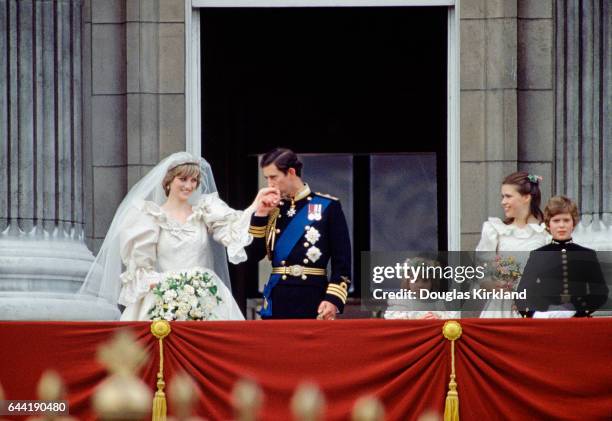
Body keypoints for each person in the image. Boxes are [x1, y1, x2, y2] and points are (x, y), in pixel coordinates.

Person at [79, 152, 279, 321]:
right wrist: (169, 294)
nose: (189, 186)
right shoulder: (149, 217)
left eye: (194, 180)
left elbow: (233, 231)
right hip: (164, 297)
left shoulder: (205, 211)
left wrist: (255, 207)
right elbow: (142, 268)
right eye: (182, 179)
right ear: (168, 182)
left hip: (207, 296)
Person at [245, 148, 352, 320]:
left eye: (274, 177)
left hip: (313, 298)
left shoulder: (327, 206)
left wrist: (332, 299)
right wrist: (260, 215)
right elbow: (252, 255)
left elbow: (343, 262)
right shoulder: (271, 210)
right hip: (278, 297)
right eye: (267, 178)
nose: (269, 184)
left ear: (291, 172)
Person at [516, 196, 609, 318]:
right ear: (548, 224)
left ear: (573, 223)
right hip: (545, 318)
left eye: (566, 220)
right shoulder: (538, 255)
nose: (561, 225)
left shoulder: (587, 254)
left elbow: (600, 292)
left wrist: (579, 311)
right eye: (556, 220)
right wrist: (535, 313)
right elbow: (523, 292)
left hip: (577, 319)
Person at [475, 171, 550, 318]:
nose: (503, 202)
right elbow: (480, 273)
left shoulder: (545, 235)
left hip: (534, 309)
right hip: (501, 308)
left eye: (508, 196)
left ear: (526, 198)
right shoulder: (495, 231)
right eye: (503, 196)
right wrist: (492, 285)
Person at [384, 257, 460, 320]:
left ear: (432, 282)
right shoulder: (399, 303)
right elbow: (392, 322)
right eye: (415, 280)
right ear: (407, 282)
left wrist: (439, 319)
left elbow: (454, 319)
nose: (420, 285)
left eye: (425, 281)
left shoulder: (441, 303)